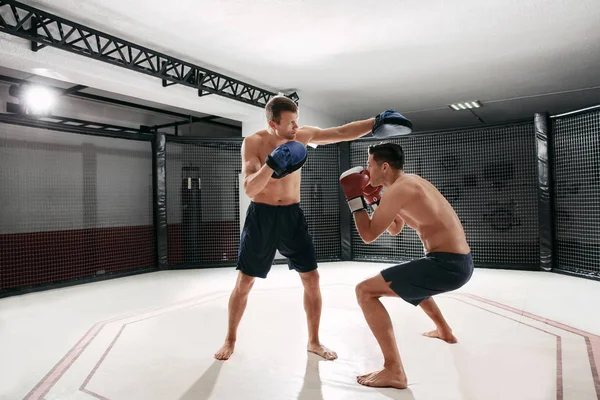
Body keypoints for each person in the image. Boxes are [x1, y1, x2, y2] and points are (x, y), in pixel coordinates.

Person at [214, 96, 410, 361]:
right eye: (290, 123)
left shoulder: (302, 136)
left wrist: (374, 122)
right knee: (245, 281)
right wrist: (272, 165)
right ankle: (230, 339)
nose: (297, 127)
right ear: (273, 123)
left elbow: (340, 133)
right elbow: (250, 188)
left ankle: (314, 341)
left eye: (298, 121)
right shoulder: (254, 143)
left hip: (292, 216)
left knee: (312, 279)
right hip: (262, 216)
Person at [339, 142, 474, 389]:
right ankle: (444, 330)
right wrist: (372, 198)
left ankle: (394, 370)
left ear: (385, 166)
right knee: (412, 278)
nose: (367, 171)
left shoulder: (400, 190)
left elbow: (368, 235)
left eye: (370, 164)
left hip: (447, 265)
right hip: (455, 262)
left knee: (364, 291)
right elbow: (395, 228)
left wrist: (354, 198)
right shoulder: (409, 182)